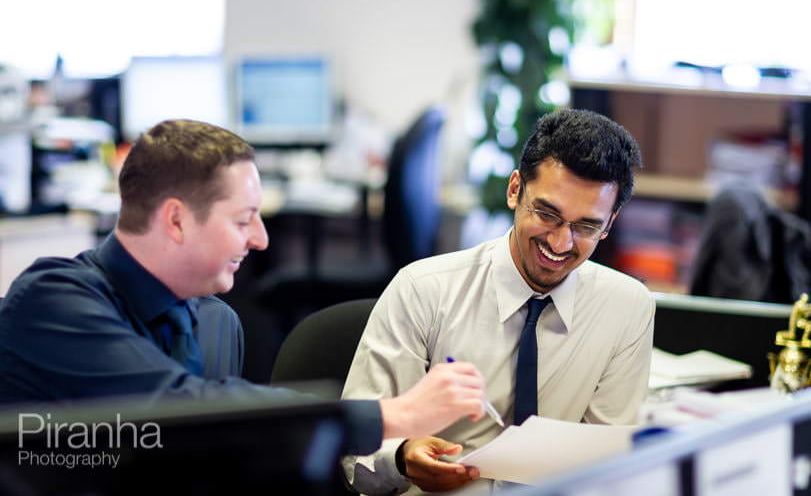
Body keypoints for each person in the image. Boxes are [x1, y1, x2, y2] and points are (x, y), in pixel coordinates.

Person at [0, 119, 488, 456]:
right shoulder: (52, 301)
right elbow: (180, 414)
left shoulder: (217, 323)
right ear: (175, 219)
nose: (261, 238)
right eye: (243, 220)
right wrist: (391, 415)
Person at [341, 108, 655, 494]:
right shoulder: (424, 289)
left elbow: (609, 467)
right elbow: (353, 451)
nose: (560, 243)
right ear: (514, 190)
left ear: (609, 223)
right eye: (547, 213)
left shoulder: (627, 308)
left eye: (586, 226)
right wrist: (402, 457)